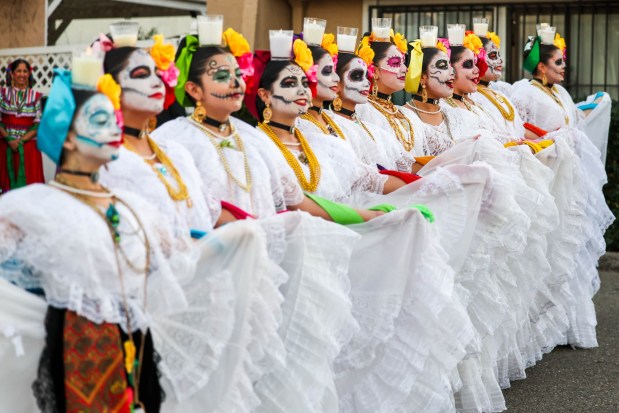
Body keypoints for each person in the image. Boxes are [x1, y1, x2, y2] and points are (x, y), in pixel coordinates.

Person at [0, 59, 45, 192]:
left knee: (29, 190)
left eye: (25, 71)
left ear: (29, 74)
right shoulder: (2, 94)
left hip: (28, 148)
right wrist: (10, 140)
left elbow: (38, 123)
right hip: (6, 146)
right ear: (12, 73)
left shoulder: (36, 96)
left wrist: (20, 141)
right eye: (18, 71)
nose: (22, 74)